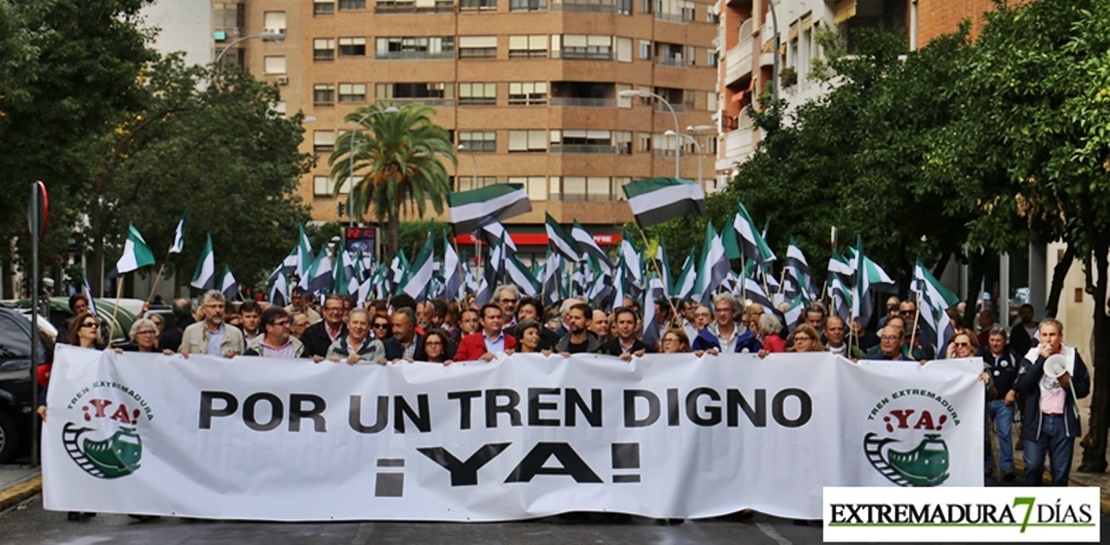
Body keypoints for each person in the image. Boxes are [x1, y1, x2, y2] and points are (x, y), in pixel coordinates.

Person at [1015, 319, 1090, 487]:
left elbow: (1085, 388)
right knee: (1033, 467)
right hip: (1037, 422)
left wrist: (1069, 385)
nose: (1048, 339)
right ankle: (1034, 506)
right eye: (1044, 335)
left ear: (1060, 336)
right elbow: (1022, 385)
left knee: (1061, 472)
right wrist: (1041, 361)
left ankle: (1056, 509)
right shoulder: (1031, 356)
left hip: (1062, 423)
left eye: (1052, 335)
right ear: (1040, 337)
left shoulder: (1071, 356)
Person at [983, 326, 1018, 481]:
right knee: (984, 435)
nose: (995, 344)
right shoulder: (981, 356)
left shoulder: (1012, 357)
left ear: (1005, 341)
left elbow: (1020, 376)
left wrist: (1014, 391)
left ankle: (1007, 466)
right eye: (992, 340)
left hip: (1004, 401)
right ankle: (986, 464)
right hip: (984, 401)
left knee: (1004, 432)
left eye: (998, 340)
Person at [179, 291, 244, 358]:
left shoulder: (236, 333)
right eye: (213, 306)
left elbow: (242, 363)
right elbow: (182, 359)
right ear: (203, 309)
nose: (218, 310)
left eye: (221, 306)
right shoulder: (191, 331)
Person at [692, 294, 762, 354]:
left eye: (726, 310)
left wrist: (761, 354)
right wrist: (702, 355)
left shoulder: (747, 336)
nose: (722, 314)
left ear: (734, 313)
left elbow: (759, 356)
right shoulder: (703, 339)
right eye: (718, 310)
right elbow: (694, 363)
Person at [301, 294, 348, 360]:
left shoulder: (350, 332)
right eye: (332, 309)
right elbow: (302, 358)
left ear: (343, 312)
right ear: (324, 311)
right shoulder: (310, 333)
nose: (335, 312)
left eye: (339, 309)